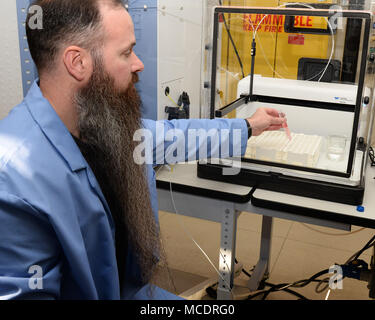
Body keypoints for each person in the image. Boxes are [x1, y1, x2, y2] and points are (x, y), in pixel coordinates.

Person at [0, 0, 286, 300]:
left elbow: (180, 136)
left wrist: (249, 126)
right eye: (126, 52)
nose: (139, 63)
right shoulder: (13, 181)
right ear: (78, 63)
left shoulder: (102, 124)